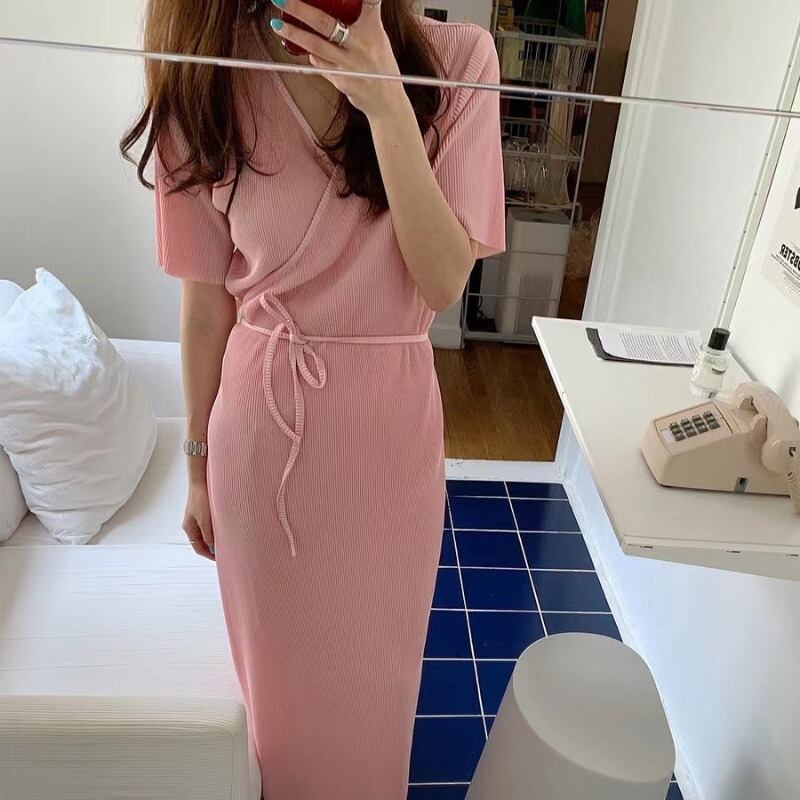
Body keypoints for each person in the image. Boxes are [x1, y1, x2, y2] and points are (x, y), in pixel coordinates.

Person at [122, 0, 504, 797]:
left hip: (389, 440)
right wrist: (195, 465)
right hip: (261, 442)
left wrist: (387, 103)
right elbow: (206, 307)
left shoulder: (462, 60)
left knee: (378, 690)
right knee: (284, 710)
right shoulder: (210, 68)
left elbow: (443, 279)